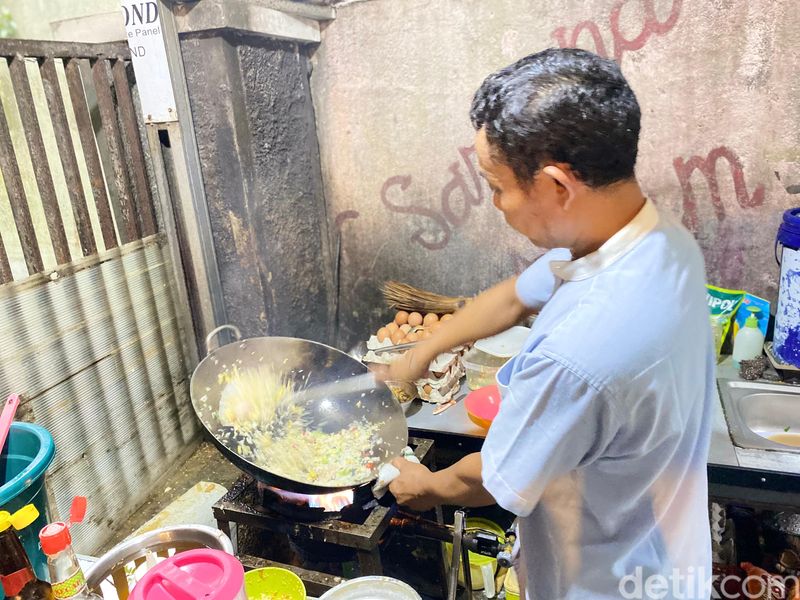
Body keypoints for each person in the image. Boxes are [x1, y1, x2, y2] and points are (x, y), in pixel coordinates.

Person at [379, 48, 714, 600]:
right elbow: (514, 296)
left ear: (557, 186)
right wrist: (423, 350)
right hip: (668, 551)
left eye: (496, 185)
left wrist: (425, 486)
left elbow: (494, 476)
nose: (496, 203)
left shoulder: (578, 353)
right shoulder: (657, 239)